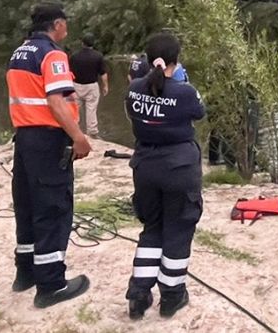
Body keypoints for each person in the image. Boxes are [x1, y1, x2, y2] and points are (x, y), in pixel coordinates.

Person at [6, 3, 92, 308]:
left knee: (27, 204)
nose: (67, 29)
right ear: (57, 24)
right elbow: (56, 102)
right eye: (65, 24)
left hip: (25, 139)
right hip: (47, 140)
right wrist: (78, 137)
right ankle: (51, 284)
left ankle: (25, 272)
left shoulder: (20, 52)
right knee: (53, 208)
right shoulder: (52, 54)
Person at [124, 32, 205, 320]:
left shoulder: (133, 88)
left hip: (145, 168)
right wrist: (180, 82)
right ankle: (171, 297)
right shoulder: (184, 91)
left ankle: (138, 296)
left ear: (147, 58)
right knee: (178, 231)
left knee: (152, 229)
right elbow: (199, 113)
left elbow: (138, 110)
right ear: (176, 59)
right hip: (179, 169)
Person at [70, 33, 109, 138]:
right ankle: (92, 132)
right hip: (91, 86)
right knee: (91, 108)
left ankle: (74, 130)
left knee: (75, 108)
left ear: (82, 43)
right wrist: (105, 86)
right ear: (93, 43)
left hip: (76, 85)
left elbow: (69, 72)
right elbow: (103, 73)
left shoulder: (74, 56)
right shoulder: (98, 56)